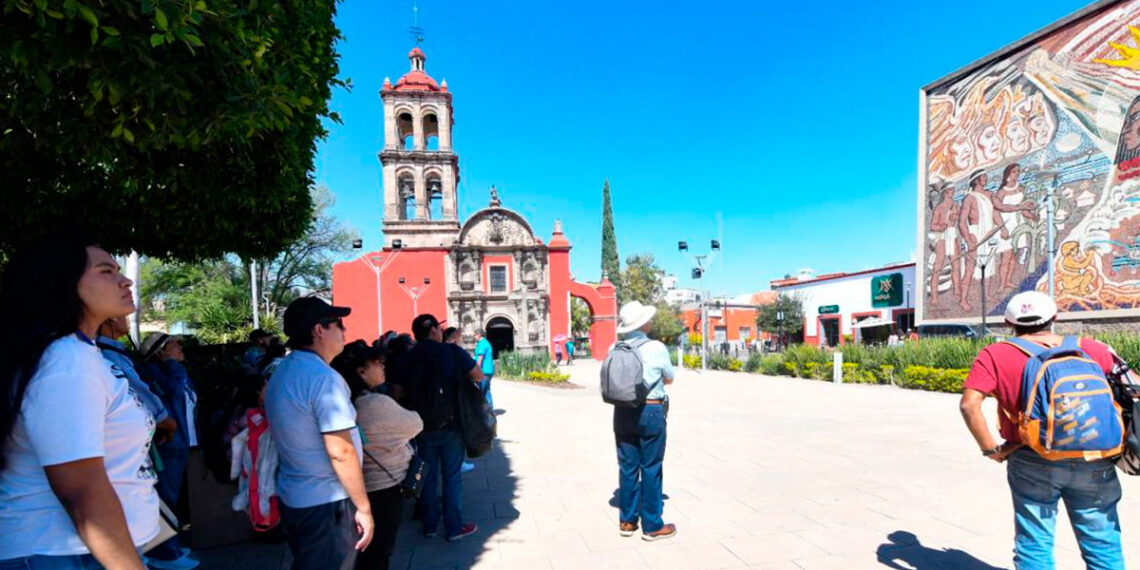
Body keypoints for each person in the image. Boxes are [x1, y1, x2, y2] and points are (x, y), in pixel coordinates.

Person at [0, 234, 158, 569]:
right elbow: (82, 489)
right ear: (61, 284)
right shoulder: (66, 360)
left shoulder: (77, 354)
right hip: (64, 554)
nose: (125, 279)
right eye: (106, 271)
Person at [959, 291, 1124, 569]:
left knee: (1035, 542)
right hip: (1094, 457)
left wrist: (991, 450)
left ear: (1009, 323)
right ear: (1054, 318)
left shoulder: (996, 354)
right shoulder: (1092, 348)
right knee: (1102, 544)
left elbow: (969, 405)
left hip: (1031, 456)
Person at [264, 298, 373, 570]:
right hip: (327, 503)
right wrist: (364, 507)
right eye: (339, 324)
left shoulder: (284, 370)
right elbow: (341, 451)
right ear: (319, 330)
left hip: (298, 495)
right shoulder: (322, 377)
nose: (344, 332)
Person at [332, 341, 422, 570]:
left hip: (357, 485)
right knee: (379, 550)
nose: (382, 367)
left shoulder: (346, 401)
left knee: (365, 549)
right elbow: (415, 423)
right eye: (376, 363)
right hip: (385, 486)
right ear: (361, 372)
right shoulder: (375, 403)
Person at [390, 314, 481, 541]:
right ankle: (454, 527)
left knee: (427, 476)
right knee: (451, 477)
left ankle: (429, 525)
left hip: (421, 427)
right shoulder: (451, 352)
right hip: (451, 425)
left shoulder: (408, 358)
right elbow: (478, 376)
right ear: (433, 331)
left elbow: (396, 393)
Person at [613, 301, 677, 541]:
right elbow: (669, 378)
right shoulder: (656, 347)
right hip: (650, 411)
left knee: (627, 467)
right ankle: (652, 525)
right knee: (650, 466)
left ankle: (627, 522)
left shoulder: (615, 346)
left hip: (622, 411)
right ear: (644, 323)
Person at [139, 332, 201, 569]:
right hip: (169, 447)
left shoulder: (174, 371)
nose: (180, 348)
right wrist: (172, 364)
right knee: (165, 498)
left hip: (181, 445)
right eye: (174, 345)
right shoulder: (158, 373)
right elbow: (173, 392)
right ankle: (164, 552)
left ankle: (170, 546)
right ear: (161, 351)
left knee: (171, 498)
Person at [97, 316, 178, 446]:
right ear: (112, 319)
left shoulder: (112, 350)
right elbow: (138, 388)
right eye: (123, 316)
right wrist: (163, 417)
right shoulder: (111, 354)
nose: (127, 319)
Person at [473, 329, 495, 411]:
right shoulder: (486, 343)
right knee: (487, 391)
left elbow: (480, 360)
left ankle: (486, 412)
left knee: (481, 392)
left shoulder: (482, 344)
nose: (474, 337)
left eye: (474, 335)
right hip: (488, 371)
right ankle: (490, 411)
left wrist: (475, 372)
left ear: (478, 335)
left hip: (483, 372)